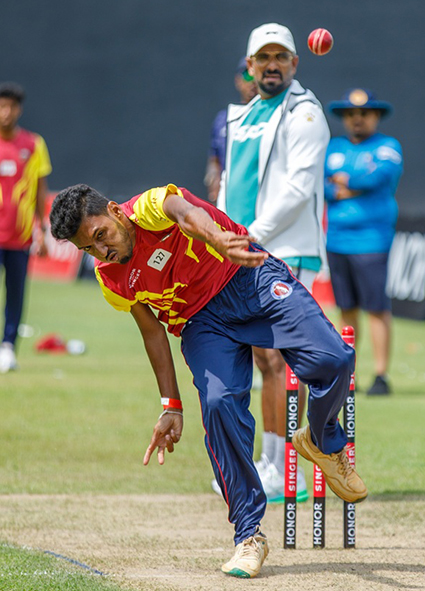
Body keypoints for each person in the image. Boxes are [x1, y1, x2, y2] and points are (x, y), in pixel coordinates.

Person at [49, 183, 365, 578]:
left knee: (335, 359)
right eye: (87, 249)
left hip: (248, 276)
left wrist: (217, 238)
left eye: (101, 236)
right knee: (218, 405)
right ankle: (249, 536)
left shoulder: (147, 207)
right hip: (201, 324)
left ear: (114, 211)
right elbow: (152, 333)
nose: (101, 251)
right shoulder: (109, 276)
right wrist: (171, 405)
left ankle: (322, 441)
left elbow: (184, 213)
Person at [217, 23, 331, 502]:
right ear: (249, 65)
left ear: (294, 63)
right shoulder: (241, 117)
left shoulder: (305, 113)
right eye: (262, 57)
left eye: (280, 57)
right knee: (257, 357)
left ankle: (287, 467)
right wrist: (217, 237)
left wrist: (251, 236)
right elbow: (228, 184)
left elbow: (298, 187)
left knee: (279, 358)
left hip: (280, 247)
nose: (271, 64)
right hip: (240, 248)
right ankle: (266, 459)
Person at [324, 88, 403, 396]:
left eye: (364, 114)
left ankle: (381, 375)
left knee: (376, 307)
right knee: (346, 308)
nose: (357, 119)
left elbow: (377, 178)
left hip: (372, 239)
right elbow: (320, 183)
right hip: (337, 239)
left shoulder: (388, 146)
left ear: (376, 116)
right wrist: (340, 186)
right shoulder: (333, 146)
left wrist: (346, 181)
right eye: (351, 114)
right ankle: (348, 372)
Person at [0, 82, 51, 373]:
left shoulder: (33, 144)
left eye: (12, 107)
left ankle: (8, 347)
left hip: (19, 236)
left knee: (16, 294)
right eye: (2, 106)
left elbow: (40, 190)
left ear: (19, 110)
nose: (7, 113)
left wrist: (41, 229)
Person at [204, 60, 258, 204]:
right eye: (247, 75)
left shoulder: (272, 115)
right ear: (238, 81)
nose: (253, 81)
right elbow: (214, 158)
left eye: (256, 75)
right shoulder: (225, 118)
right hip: (228, 195)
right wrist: (213, 181)